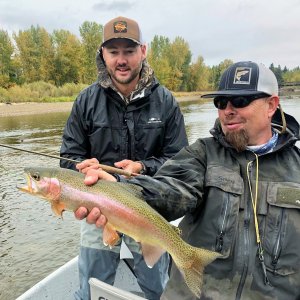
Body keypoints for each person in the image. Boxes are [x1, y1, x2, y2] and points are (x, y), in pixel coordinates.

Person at [75, 61, 300, 300]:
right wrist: (116, 187)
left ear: (271, 105)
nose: (228, 110)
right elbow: (168, 190)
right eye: (221, 103)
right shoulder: (202, 154)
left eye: (241, 101)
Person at [60, 16, 188, 300]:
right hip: (98, 211)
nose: (121, 60)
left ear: (143, 51)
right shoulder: (85, 102)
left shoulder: (166, 102)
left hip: (148, 210)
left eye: (128, 51)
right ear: (102, 54)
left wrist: (143, 167)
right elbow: (67, 160)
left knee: (158, 288)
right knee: (91, 288)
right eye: (113, 51)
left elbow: (181, 164)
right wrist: (82, 169)